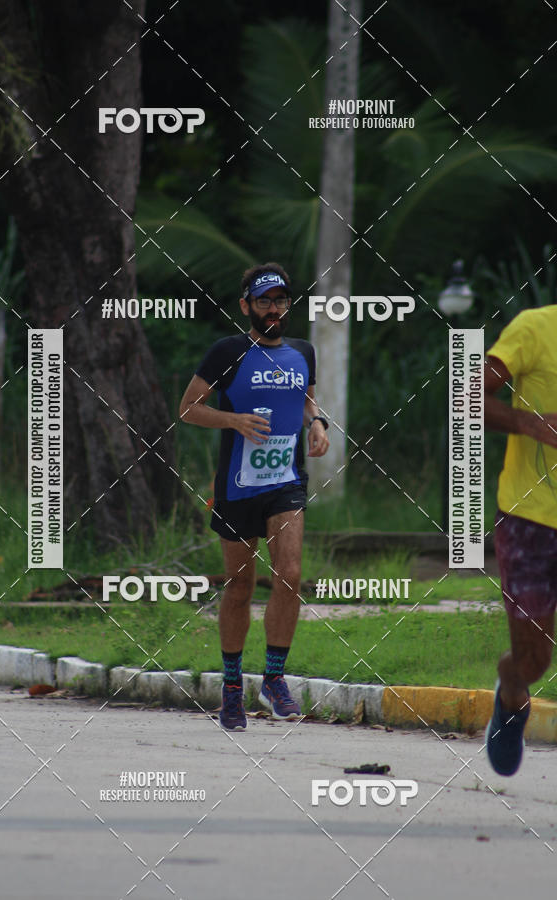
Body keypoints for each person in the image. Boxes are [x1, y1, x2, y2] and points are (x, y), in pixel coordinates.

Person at [179, 263, 330, 730]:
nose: (273, 309)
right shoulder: (228, 352)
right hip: (237, 487)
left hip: (286, 482)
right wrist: (234, 421)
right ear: (246, 306)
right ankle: (230, 688)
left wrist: (317, 422)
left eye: (280, 300)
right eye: (264, 301)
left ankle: (274, 678)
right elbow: (188, 408)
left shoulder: (302, 351)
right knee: (240, 585)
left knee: (290, 574)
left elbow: (305, 398)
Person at [484, 303, 557, 774]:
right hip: (530, 518)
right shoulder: (535, 327)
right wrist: (531, 423)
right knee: (532, 662)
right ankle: (511, 694)